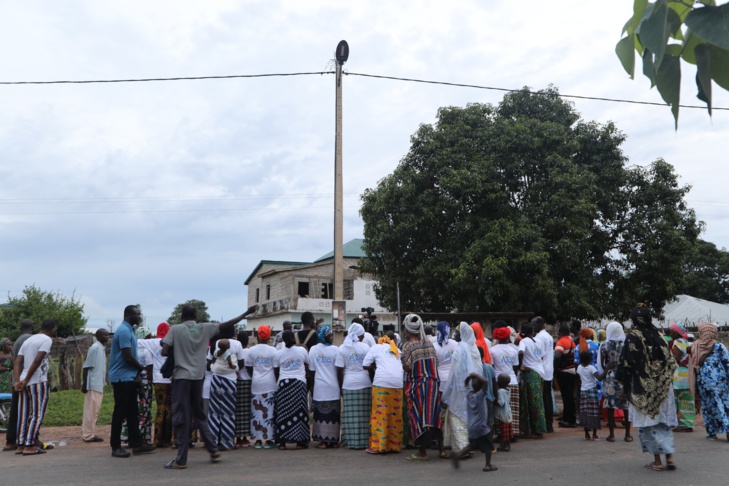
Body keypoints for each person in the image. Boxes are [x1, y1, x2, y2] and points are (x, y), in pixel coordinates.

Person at [161, 304, 257, 469]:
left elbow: (164, 351)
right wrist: (247, 313)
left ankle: (181, 460)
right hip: (198, 378)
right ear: (195, 316)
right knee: (199, 414)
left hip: (182, 378)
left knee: (182, 416)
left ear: (182, 316)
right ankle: (213, 449)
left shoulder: (175, 329)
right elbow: (227, 323)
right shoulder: (204, 328)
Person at [616, 304, 678, 472]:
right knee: (663, 423)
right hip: (663, 388)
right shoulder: (659, 335)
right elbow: (671, 361)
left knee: (649, 425)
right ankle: (669, 457)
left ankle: (657, 461)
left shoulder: (632, 337)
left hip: (642, 389)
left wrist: (623, 388)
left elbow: (627, 364)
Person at [107, 306, 155, 458]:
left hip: (129, 377)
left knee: (132, 412)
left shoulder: (129, 330)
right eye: (137, 314)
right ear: (128, 315)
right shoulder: (123, 331)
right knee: (120, 412)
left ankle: (137, 443)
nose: (139, 316)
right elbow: (127, 356)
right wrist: (142, 369)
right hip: (122, 378)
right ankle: (115, 446)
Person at [400, 314, 442, 461]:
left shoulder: (408, 346)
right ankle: (442, 450)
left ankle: (422, 453)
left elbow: (407, 367)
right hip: (433, 384)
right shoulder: (429, 343)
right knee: (435, 415)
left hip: (417, 385)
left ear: (407, 330)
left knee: (417, 416)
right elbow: (436, 362)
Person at [13, 319, 54, 456]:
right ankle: (29, 445)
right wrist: (26, 380)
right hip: (37, 380)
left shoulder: (28, 340)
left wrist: (18, 381)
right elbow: (37, 360)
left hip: (24, 380)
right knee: (37, 414)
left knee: (23, 414)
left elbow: (17, 362)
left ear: (41, 327)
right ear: (51, 330)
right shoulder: (46, 340)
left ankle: (20, 444)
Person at [441, 323, 481, 453]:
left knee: (457, 416)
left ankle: (461, 447)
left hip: (461, 388)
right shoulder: (474, 348)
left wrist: (447, 391)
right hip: (474, 389)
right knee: (470, 416)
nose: (455, 335)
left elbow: (455, 372)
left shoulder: (460, 349)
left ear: (463, 334)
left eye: (457, 332)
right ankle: (471, 444)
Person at [363, 333, 404, 454]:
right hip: (397, 384)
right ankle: (394, 446)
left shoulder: (376, 347)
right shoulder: (397, 349)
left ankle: (378, 446)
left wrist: (375, 366)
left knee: (379, 414)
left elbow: (365, 365)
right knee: (395, 415)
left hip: (381, 383)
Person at [689, 322, 729, 441]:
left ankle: (712, 433)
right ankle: (727, 428)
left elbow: (693, 363)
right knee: (723, 404)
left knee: (708, 406)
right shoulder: (719, 346)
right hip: (720, 382)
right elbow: (727, 362)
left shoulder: (695, 346)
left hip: (704, 382)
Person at [335, 323, 372, 450]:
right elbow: (370, 366)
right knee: (365, 415)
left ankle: (349, 441)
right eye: (362, 335)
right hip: (365, 383)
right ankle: (365, 441)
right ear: (360, 335)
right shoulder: (366, 347)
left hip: (348, 384)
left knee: (350, 415)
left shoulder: (342, 348)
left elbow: (339, 370)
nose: (363, 337)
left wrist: (341, 387)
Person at [451, 373, 497, 473]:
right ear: (481, 387)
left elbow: (466, 383)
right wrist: (474, 374)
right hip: (481, 426)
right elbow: (485, 381)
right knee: (488, 445)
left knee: (471, 445)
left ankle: (458, 455)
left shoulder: (469, 394)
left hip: (471, 426)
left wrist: (469, 377)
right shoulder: (480, 395)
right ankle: (487, 465)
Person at [273, 330, 310, 450]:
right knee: (300, 412)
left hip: (284, 384)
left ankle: (282, 442)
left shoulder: (279, 353)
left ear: (283, 340)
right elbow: (307, 364)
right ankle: (300, 442)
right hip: (299, 383)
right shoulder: (302, 351)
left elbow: (276, 370)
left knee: (283, 412)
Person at [138, 322, 173, 448]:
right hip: (171, 380)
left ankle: (157, 440)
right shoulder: (171, 341)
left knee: (160, 409)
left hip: (158, 380)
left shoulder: (152, 342)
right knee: (169, 409)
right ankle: (168, 439)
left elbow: (138, 342)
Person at [598, 321, 631, 442]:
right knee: (626, 406)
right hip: (624, 377)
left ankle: (611, 435)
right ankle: (627, 434)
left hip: (611, 377)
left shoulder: (605, 345)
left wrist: (608, 368)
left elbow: (602, 363)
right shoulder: (627, 344)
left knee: (611, 406)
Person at [4, 319, 34, 452]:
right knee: (28, 412)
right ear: (32, 327)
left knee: (15, 411)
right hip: (26, 380)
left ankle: (10, 441)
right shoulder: (30, 340)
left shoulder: (17, 341)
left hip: (17, 379)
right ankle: (29, 440)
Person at [208, 334, 242, 451]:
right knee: (228, 412)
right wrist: (234, 368)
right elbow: (234, 365)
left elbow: (210, 362)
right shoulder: (231, 352)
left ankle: (213, 441)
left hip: (216, 380)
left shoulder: (215, 351)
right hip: (229, 382)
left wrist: (214, 366)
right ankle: (227, 442)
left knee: (214, 412)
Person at [246, 325, 277, 449]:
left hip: (256, 384)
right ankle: (268, 441)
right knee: (269, 413)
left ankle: (258, 441)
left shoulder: (251, 351)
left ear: (258, 335)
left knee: (257, 413)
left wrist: (255, 375)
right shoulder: (273, 351)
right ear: (269, 336)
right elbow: (275, 369)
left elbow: (248, 367)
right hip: (269, 384)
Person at [309, 326, 341, 448]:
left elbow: (311, 371)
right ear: (323, 335)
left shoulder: (313, 350)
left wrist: (312, 387)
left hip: (321, 386)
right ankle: (330, 440)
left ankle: (326, 441)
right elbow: (338, 370)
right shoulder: (335, 350)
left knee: (323, 414)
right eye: (329, 335)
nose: (332, 337)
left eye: (332, 335)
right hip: (332, 387)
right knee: (331, 414)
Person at [121, 326, 153, 446]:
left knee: (131, 409)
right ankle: (142, 438)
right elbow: (149, 369)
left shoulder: (132, 349)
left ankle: (128, 437)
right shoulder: (146, 350)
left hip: (131, 379)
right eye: (148, 336)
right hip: (144, 381)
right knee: (144, 410)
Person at [490, 326, 519, 442]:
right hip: (512, 380)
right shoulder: (513, 350)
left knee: (500, 410)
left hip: (498, 382)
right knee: (513, 410)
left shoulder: (492, 350)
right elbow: (516, 367)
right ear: (508, 336)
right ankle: (513, 433)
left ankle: (501, 434)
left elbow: (492, 367)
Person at [517, 322, 546, 439]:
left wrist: (520, 366)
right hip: (540, 373)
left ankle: (536, 430)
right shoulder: (539, 341)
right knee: (537, 401)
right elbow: (542, 355)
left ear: (522, 332)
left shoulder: (523, 342)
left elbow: (520, 352)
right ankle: (535, 429)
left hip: (530, 373)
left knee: (531, 403)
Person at [81, 329, 109, 443]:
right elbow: (86, 367)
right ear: (97, 336)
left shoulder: (102, 348)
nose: (106, 337)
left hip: (98, 384)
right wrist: (84, 384)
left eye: (107, 334)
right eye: (104, 335)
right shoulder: (95, 348)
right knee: (90, 411)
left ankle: (90, 433)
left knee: (94, 410)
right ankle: (88, 435)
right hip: (92, 384)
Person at [577, 350, 612, 441]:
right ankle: (594, 435)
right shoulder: (591, 368)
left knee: (585, 413)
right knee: (594, 413)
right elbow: (599, 378)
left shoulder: (579, 368)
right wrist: (607, 369)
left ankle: (586, 434)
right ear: (590, 359)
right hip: (592, 391)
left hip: (583, 391)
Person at [667, 322, 694, 433]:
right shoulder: (685, 342)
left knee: (679, 399)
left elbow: (675, 358)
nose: (670, 333)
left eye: (671, 331)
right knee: (687, 400)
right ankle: (687, 422)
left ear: (676, 332)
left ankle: (681, 423)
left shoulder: (678, 342)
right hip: (687, 374)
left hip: (679, 375)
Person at [532, 316, 554, 433]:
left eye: (534, 324)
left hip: (542, 370)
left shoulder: (539, 338)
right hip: (548, 369)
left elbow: (538, 355)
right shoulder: (549, 337)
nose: (533, 327)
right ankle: (549, 423)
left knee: (544, 398)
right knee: (548, 397)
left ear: (540, 324)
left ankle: (547, 424)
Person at [554, 323, 578, 428]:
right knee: (570, 397)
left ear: (560, 332)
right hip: (572, 371)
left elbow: (558, 356)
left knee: (566, 397)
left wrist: (555, 369)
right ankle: (568, 417)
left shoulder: (561, 342)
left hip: (564, 372)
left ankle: (570, 420)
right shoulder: (571, 341)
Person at [235, 331, 253, 448]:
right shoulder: (250, 352)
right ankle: (245, 437)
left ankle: (238, 438)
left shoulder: (237, 351)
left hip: (237, 382)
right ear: (247, 341)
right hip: (248, 382)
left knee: (237, 410)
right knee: (247, 411)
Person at [494, 374, 513, 452]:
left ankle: (505, 446)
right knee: (507, 431)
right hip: (508, 412)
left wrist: (493, 401)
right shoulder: (508, 390)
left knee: (503, 431)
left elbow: (501, 403)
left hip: (502, 414)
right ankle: (506, 444)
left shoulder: (500, 391)